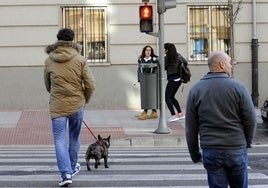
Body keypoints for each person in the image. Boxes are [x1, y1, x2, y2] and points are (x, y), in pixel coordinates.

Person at [185, 51, 257, 188]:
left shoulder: (196, 90)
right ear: (222, 64)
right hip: (236, 147)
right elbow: (250, 119)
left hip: (211, 149)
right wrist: (247, 142)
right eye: (229, 62)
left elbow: (190, 128)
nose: (231, 66)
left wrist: (195, 154)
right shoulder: (238, 88)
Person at [44, 28, 95, 187]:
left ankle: (66, 173)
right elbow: (90, 85)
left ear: (58, 40)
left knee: (59, 139)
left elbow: (48, 85)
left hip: (58, 105)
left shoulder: (49, 60)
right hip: (76, 104)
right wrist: (84, 99)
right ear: (72, 40)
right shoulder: (80, 59)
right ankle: (72, 168)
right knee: (74, 136)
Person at [164, 43, 185, 122]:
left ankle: (173, 115)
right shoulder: (178, 56)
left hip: (172, 79)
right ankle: (180, 113)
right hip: (179, 79)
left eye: (164, 49)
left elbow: (164, 67)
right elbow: (185, 62)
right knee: (172, 96)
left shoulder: (167, 57)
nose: (163, 50)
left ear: (167, 50)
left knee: (167, 97)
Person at [137, 45, 158, 120]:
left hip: (152, 80)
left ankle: (146, 112)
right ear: (144, 51)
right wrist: (139, 78)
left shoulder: (154, 59)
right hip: (144, 80)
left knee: (151, 95)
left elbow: (156, 70)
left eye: (149, 50)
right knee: (145, 95)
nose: (148, 52)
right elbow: (139, 70)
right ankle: (153, 111)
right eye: (146, 50)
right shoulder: (141, 60)